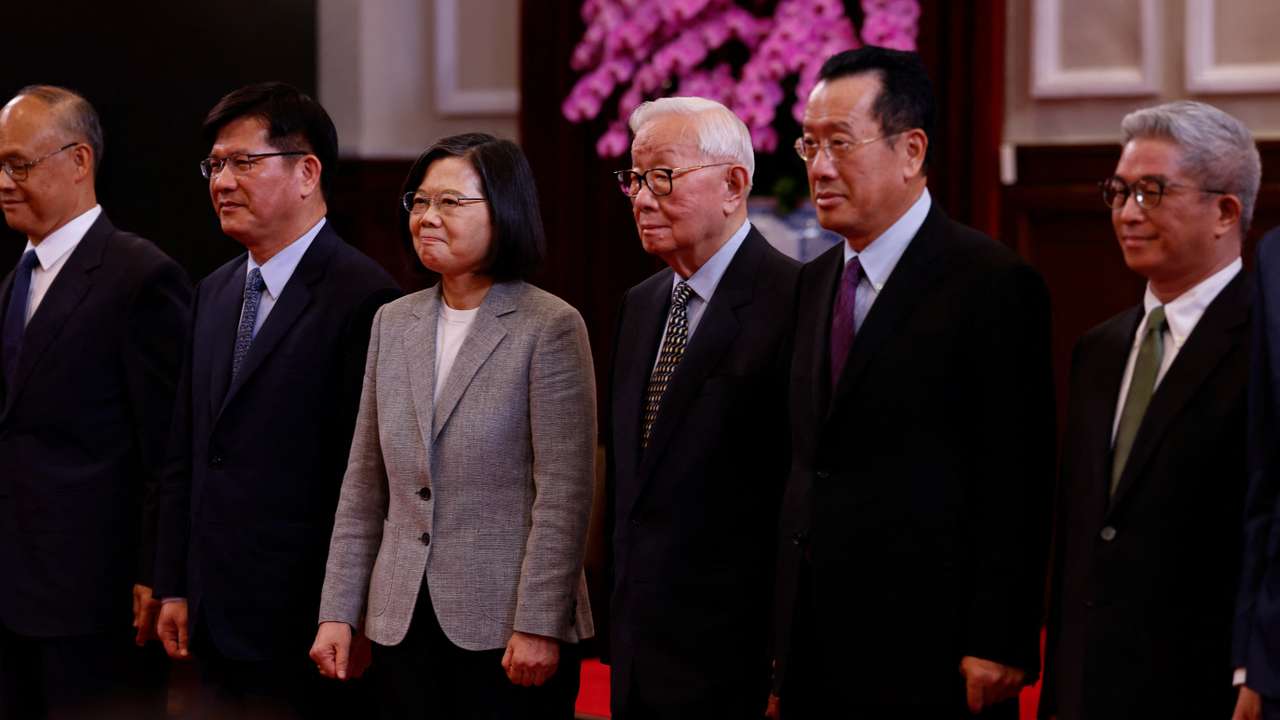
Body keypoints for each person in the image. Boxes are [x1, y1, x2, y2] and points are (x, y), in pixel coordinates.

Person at [773, 46, 1056, 718]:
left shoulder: (991, 283)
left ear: (911, 150)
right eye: (809, 144)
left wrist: (1000, 638)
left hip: (933, 649)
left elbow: (1018, 476)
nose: (818, 166)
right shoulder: (813, 283)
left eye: (840, 143)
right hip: (814, 642)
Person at [310, 133, 596, 720]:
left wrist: (540, 623)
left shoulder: (550, 326)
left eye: (450, 203)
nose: (427, 218)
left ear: (505, 211)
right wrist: (339, 609)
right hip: (399, 620)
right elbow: (364, 486)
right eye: (419, 201)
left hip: (505, 628)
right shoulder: (394, 321)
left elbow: (565, 495)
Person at [151, 82, 401, 717]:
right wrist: (175, 583)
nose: (221, 182)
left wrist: (349, 612)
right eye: (214, 164)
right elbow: (186, 450)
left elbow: (369, 477)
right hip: (212, 613)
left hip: (306, 620)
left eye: (243, 162)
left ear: (306, 172)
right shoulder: (212, 290)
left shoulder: (364, 296)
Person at [1039, 101, 1258, 720]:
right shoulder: (1100, 348)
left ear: (1225, 211)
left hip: (1212, 686)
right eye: (1120, 191)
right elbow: (1084, 536)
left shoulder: (1266, 343)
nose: (1128, 213)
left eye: (1152, 192)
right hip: (1091, 688)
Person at [605, 96, 798, 719]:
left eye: (662, 177)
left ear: (734, 184)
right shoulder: (641, 304)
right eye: (634, 179)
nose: (640, 198)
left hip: (737, 656)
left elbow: (795, 495)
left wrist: (783, 658)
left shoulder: (795, 300)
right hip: (640, 652)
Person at [0, 85, 189, 719]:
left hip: (99, 602)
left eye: (19, 164)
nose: (4, 181)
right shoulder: (13, 281)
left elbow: (169, 449)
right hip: (14, 594)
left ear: (79, 161)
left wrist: (156, 572)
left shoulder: (140, 276)